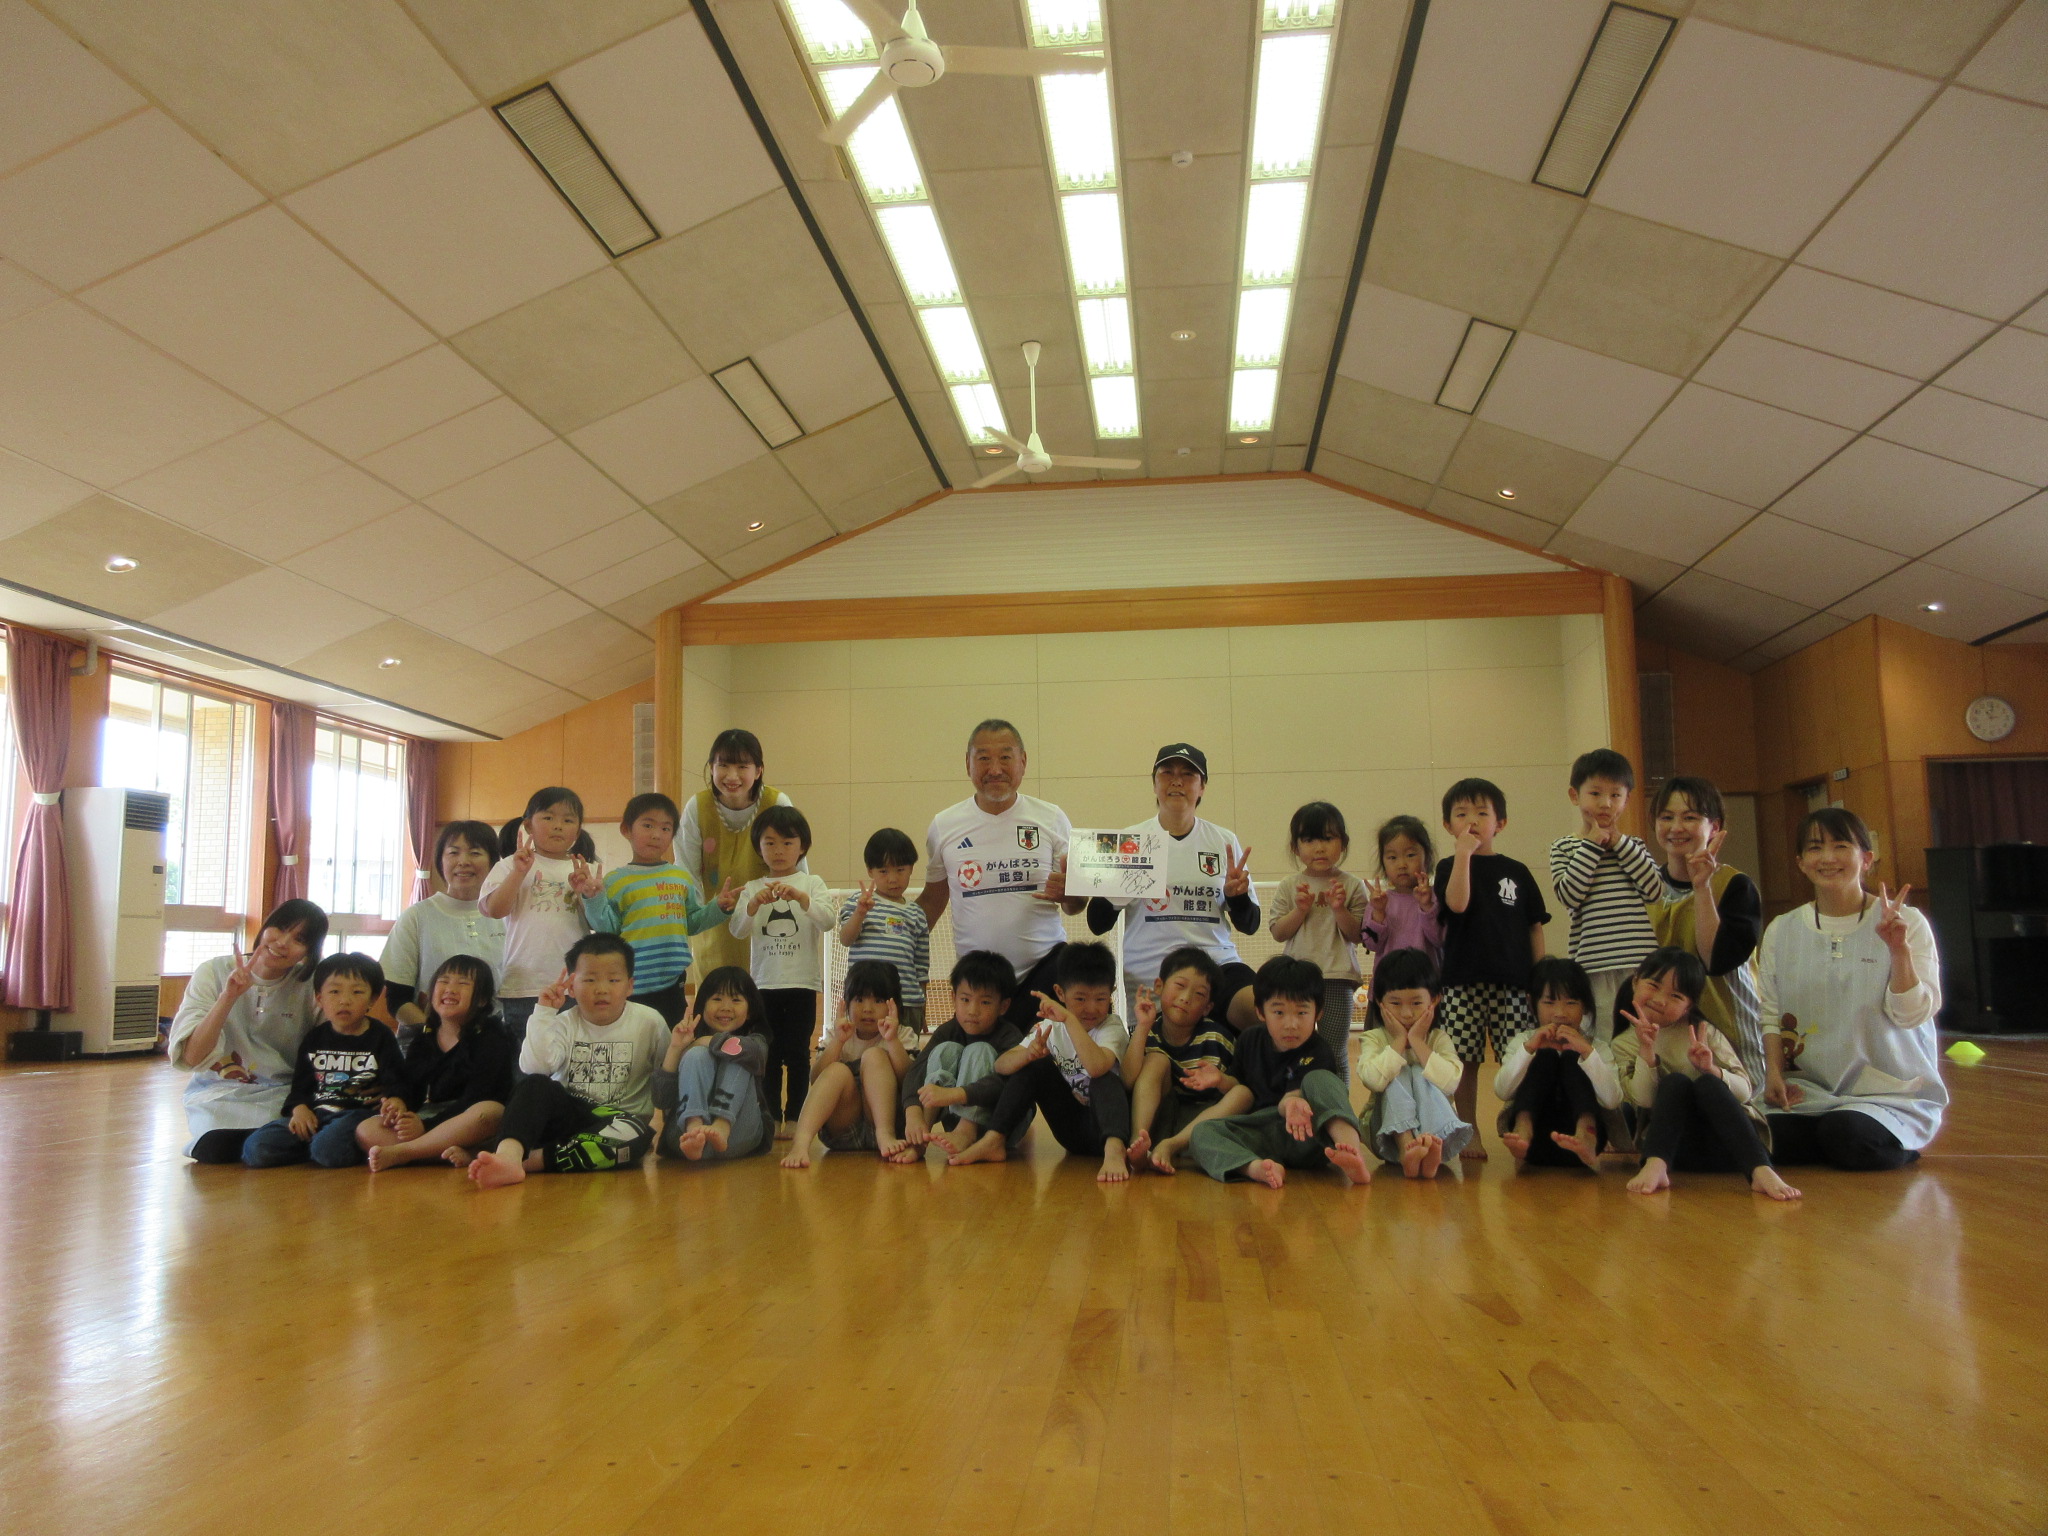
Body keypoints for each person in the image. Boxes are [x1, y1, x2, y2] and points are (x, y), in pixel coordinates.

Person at [1759, 808, 1945, 1171]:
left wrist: (1898, 950)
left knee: (1848, 1134)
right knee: (1755, 1134)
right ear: (1801, 862)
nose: (1827, 858)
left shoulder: (1907, 922)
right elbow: (1770, 1011)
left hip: (1887, 1093)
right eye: (1815, 848)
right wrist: (1774, 1073)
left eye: (1840, 845)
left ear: (1867, 858)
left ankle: (1881, 1135)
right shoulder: (1781, 930)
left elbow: (1912, 1015)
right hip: (1809, 1089)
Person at [919, 719, 1084, 1035]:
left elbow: (1075, 905)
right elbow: (931, 901)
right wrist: (891, 938)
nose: (995, 769)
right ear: (967, 764)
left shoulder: (1051, 819)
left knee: (1037, 1070)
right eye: (983, 758)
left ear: (1023, 762)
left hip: (1044, 972)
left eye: (1005, 757)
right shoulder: (945, 825)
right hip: (979, 987)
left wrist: (1070, 894)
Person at [467, 934, 669, 1188]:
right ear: (572, 987)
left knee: (639, 1137)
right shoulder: (562, 1022)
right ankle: (508, 1156)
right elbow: (534, 1068)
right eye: (590, 979)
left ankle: (530, 1161)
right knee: (534, 1085)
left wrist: (673, 1135)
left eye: (613, 980)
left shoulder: (650, 1022)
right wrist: (544, 1013)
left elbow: (667, 1081)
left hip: (618, 1124)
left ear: (629, 986)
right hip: (569, 1117)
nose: (602, 988)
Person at [1086, 744, 1260, 1029]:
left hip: (1217, 965)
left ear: (1202, 787)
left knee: (1262, 1011)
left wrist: (1237, 897)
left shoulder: (1223, 840)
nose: (1176, 780)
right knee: (1162, 1066)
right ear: (1154, 784)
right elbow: (1097, 923)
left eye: (1188, 774)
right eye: (1167, 772)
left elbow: (1251, 925)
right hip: (1152, 974)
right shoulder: (1130, 840)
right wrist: (1118, 889)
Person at [1616, 947, 1801, 1201]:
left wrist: (1711, 1069)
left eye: (1676, 995)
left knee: (1708, 1084)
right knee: (1675, 1083)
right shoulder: (1623, 1043)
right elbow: (1644, 1100)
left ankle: (1760, 1170)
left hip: (1729, 1148)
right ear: (1635, 981)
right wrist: (1647, 1052)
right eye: (1653, 985)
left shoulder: (1703, 1032)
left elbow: (1745, 1091)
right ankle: (1655, 1166)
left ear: (1688, 1006)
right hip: (1675, 1152)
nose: (1660, 999)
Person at [944, 940, 1134, 1183]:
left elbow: (1097, 1068)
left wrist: (1070, 1020)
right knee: (1033, 1065)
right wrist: (1028, 1053)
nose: (1091, 1008)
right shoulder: (1050, 1027)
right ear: (1060, 993)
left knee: (1103, 1079)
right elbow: (1001, 1065)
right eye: (1080, 999)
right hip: (1071, 1132)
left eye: (1100, 999)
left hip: (1110, 1127)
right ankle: (994, 1140)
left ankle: (1115, 1150)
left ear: (1111, 993)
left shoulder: (1111, 1027)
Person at [1434, 779, 1549, 1158]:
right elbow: (1457, 904)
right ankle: (1469, 1131)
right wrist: (1464, 856)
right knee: (1464, 1059)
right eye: (1462, 814)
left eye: (1482, 813)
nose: (1472, 821)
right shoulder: (1449, 866)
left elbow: (1535, 926)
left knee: (1518, 1057)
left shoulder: (1516, 871)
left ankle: (1520, 1126)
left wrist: (1540, 978)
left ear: (1500, 823)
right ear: (1449, 825)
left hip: (1514, 983)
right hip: (1462, 981)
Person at [1187, 956, 1373, 1188]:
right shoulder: (1249, 1040)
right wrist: (1221, 1080)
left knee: (1321, 1079)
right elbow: (1240, 1088)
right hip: (1264, 1133)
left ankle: (1351, 1151)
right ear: (1261, 1012)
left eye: (1302, 1013)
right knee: (1201, 1132)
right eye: (1279, 1013)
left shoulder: (1319, 1049)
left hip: (1309, 1136)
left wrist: (1293, 1104)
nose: (1291, 1024)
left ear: (1319, 1013)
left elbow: (1292, 1096)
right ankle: (1255, 1168)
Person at [167, 899, 328, 1164]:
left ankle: (269, 1145)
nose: (282, 942)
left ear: (309, 952)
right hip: (218, 1092)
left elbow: (327, 1052)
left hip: (282, 1095)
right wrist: (228, 997)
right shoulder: (213, 972)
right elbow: (193, 1057)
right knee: (213, 1147)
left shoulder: (311, 985)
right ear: (265, 928)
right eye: (280, 928)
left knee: (274, 1136)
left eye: (298, 939)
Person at [1650, 776, 1766, 1090]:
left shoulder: (1735, 885)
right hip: (1670, 1030)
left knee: (1744, 1108)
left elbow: (1716, 960)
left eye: (1690, 817)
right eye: (1666, 817)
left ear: (1714, 827)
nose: (1676, 827)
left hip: (1732, 1024)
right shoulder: (1646, 887)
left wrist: (1701, 887)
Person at [728, 804, 836, 1135]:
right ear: (759, 846)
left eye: (787, 843)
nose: (778, 851)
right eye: (770, 843)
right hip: (763, 985)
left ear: (802, 846)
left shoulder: (812, 882)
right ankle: (772, 1117)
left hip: (802, 983)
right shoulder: (752, 887)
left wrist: (803, 900)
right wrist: (753, 905)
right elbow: (737, 930)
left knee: (798, 1054)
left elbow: (829, 920)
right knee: (769, 1054)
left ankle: (800, 1116)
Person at [583, 792, 736, 1026]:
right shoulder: (615, 880)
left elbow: (692, 922)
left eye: (666, 829)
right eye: (647, 825)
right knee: (635, 1040)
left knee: (671, 1039)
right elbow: (607, 928)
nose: (656, 835)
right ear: (626, 830)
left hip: (672, 981)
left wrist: (718, 908)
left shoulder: (680, 877)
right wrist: (593, 898)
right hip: (631, 983)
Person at [241, 953, 405, 1169]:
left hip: (357, 1115)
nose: (344, 1000)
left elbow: (399, 1081)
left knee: (328, 1148)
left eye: (357, 992)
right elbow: (300, 1086)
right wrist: (300, 1109)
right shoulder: (314, 1038)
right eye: (334, 991)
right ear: (319, 998)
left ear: (372, 999)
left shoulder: (381, 1037)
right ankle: (314, 1147)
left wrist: (396, 1099)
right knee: (256, 1148)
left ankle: (326, 1147)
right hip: (317, 1115)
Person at [360, 954, 516, 1170]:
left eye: (462, 983)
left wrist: (424, 1126)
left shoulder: (492, 1038)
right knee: (366, 1129)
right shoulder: (425, 1037)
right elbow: (409, 1084)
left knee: (487, 1112)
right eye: (444, 981)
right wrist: (398, 1102)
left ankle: (407, 1153)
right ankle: (448, 1154)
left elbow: (478, 1098)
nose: (450, 989)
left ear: (481, 999)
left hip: (468, 1119)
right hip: (429, 1119)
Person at [1548, 749, 1662, 1041]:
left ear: (1627, 799)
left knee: (1643, 1034)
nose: (1605, 803)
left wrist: (1620, 844)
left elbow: (1654, 890)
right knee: (1603, 1038)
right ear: (1575, 796)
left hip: (1640, 962)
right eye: (1595, 793)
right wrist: (1592, 846)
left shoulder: (1633, 846)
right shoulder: (1564, 848)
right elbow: (1570, 895)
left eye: (1615, 795)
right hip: (1593, 964)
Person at [478, 786, 600, 1045]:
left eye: (568, 820)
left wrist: (591, 895)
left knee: (569, 1067)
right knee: (526, 1068)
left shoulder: (586, 870)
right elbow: (494, 910)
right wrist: (519, 873)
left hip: (574, 986)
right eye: (548, 817)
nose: (558, 826)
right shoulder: (511, 864)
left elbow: (599, 926)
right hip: (524, 985)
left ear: (577, 832)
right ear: (528, 826)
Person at [678, 728, 798, 980]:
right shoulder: (696, 808)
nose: (732, 776)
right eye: (723, 765)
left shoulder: (777, 803)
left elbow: (797, 869)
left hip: (769, 924)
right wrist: (697, 920)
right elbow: (686, 873)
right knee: (717, 1006)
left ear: (759, 771)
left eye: (742, 766)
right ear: (711, 767)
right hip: (714, 926)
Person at [1121, 946, 1250, 1174]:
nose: (1186, 998)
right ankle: (1137, 1143)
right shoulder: (1147, 1031)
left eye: (1199, 994)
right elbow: (1128, 1081)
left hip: (1200, 1124)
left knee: (1243, 1093)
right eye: (1179, 986)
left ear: (1207, 1008)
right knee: (1156, 1060)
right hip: (1157, 1121)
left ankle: (1171, 1146)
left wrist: (1219, 1080)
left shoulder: (1218, 1038)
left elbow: (1238, 1091)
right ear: (1159, 986)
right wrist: (1142, 1027)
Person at [780, 961, 913, 1168]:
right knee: (836, 1071)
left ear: (893, 1004)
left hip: (890, 1130)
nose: (867, 1009)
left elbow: (909, 1080)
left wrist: (892, 1041)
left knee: (874, 1056)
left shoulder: (901, 1034)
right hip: (843, 1130)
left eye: (877, 1000)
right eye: (859, 999)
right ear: (846, 1003)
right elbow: (816, 1078)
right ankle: (800, 1143)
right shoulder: (837, 1034)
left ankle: (884, 1134)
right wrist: (838, 1042)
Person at [1495, 956, 1620, 1172]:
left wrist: (1587, 1053)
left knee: (1573, 1056)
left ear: (1585, 1007)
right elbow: (1502, 1091)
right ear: (1532, 1004)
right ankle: (1523, 1128)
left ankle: (1585, 1132)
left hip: (1582, 1147)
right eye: (1549, 1002)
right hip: (1533, 1144)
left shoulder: (1595, 1047)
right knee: (1546, 1056)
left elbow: (1612, 1100)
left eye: (1571, 1003)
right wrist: (1530, 1049)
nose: (1560, 1013)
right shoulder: (1524, 1041)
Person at [1354, 947, 1471, 1177]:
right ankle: (1406, 1145)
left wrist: (1417, 1041)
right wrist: (1399, 1041)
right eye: (1395, 1004)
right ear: (1380, 1002)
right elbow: (1374, 1081)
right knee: (1402, 1070)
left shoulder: (1438, 1039)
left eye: (1416, 1003)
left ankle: (1428, 1151)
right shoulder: (1374, 1037)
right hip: (1384, 1137)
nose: (1406, 1014)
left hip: (1439, 1135)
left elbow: (1450, 1083)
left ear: (1434, 1000)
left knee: (1419, 1071)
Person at [899, 951, 1025, 1158]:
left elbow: (1008, 1085)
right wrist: (913, 1112)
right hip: (954, 1122)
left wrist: (957, 1094)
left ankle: (967, 1131)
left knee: (979, 1050)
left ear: (1003, 1006)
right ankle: (922, 1136)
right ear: (953, 998)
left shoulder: (1009, 1036)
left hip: (1000, 1127)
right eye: (965, 999)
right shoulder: (948, 1030)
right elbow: (917, 1070)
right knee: (944, 1050)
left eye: (985, 1002)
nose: (972, 1010)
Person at [1269, 801, 1368, 1060]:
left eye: (1328, 838)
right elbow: (1278, 932)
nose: (1319, 847)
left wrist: (1339, 909)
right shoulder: (1289, 885)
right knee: (1293, 1049)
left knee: (1334, 1052)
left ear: (1343, 843)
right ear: (1295, 847)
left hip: (1338, 978)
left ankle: (1336, 1101)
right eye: (1310, 839)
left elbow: (1358, 935)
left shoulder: (1353, 885)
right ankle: (1297, 1100)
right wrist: (1300, 911)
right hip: (1296, 980)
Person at [380, 820, 504, 1023]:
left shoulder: (509, 916)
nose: (463, 861)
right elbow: (397, 999)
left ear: (493, 862)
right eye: (453, 853)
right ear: (440, 861)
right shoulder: (416, 917)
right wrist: (437, 1037)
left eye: (475, 853)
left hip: (497, 1041)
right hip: (430, 1042)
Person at [659, 966, 774, 1164]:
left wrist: (706, 1041)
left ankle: (722, 1123)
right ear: (702, 1006)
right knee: (697, 1055)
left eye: (736, 1000)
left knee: (740, 1053)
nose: (726, 1007)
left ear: (749, 1011)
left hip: (738, 1134)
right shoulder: (690, 1043)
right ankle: (694, 1124)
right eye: (717, 999)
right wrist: (676, 1049)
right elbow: (661, 1100)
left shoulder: (756, 1041)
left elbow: (744, 1050)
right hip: (685, 1138)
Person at [837, 827, 932, 1033]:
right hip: (865, 1003)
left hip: (907, 1002)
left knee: (904, 1058)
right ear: (870, 871)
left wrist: (922, 1006)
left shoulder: (916, 913)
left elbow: (921, 968)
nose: (892, 879)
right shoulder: (858, 902)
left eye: (900, 870)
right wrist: (860, 912)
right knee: (863, 1055)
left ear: (911, 869)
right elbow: (846, 939)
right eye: (883, 871)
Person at [1358, 814, 1444, 971]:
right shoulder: (1380, 901)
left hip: (1426, 988)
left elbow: (1440, 939)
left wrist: (1426, 906)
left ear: (1428, 857)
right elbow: (1371, 944)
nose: (1402, 864)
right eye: (1392, 857)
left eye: (1410, 855)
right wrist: (1378, 912)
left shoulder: (1436, 897)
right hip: (1389, 989)